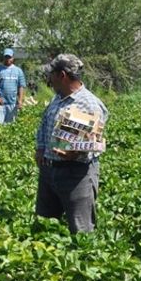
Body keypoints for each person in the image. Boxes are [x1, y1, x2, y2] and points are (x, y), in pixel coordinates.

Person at [34, 53, 108, 233]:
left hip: (76, 175)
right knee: (44, 226)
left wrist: (77, 153)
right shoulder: (58, 98)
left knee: (81, 228)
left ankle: (84, 259)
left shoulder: (89, 104)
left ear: (62, 75)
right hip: (49, 170)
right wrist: (40, 148)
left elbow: (94, 143)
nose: (49, 78)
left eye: (51, 74)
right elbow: (44, 124)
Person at [0, 48, 28, 124]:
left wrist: (20, 100)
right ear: (3, 57)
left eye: (9, 57)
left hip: (12, 104)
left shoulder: (18, 71)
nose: (7, 59)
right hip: (0, 104)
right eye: (6, 57)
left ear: (13, 58)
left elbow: (21, 86)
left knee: (11, 127)